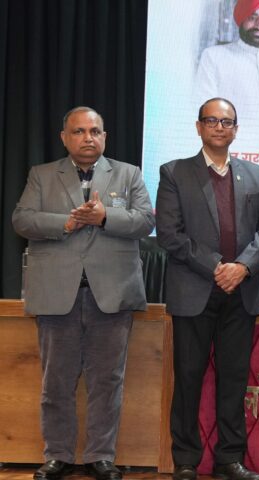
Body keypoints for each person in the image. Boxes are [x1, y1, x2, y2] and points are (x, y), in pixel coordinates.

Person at [12, 106, 155, 480]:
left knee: (107, 382)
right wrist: (68, 222)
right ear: (65, 138)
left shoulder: (128, 174)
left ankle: (100, 456)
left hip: (112, 294)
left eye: (94, 131)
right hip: (57, 294)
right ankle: (57, 455)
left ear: (104, 137)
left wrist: (105, 217)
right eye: (78, 131)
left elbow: (146, 221)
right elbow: (22, 219)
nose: (87, 138)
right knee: (56, 382)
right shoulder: (42, 175)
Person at [155, 98, 259, 480]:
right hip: (194, 290)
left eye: (227, 122)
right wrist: (215, 267)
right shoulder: (174, 172)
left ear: (236, 129)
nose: (219, 127)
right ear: (198, 127)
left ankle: (229, 459)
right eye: (211, 120)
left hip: (241, 293)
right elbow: (170, 234)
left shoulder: (257, 175)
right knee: (188, 377)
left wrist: (241, 267)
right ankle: (185, 460)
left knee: (234, 379)